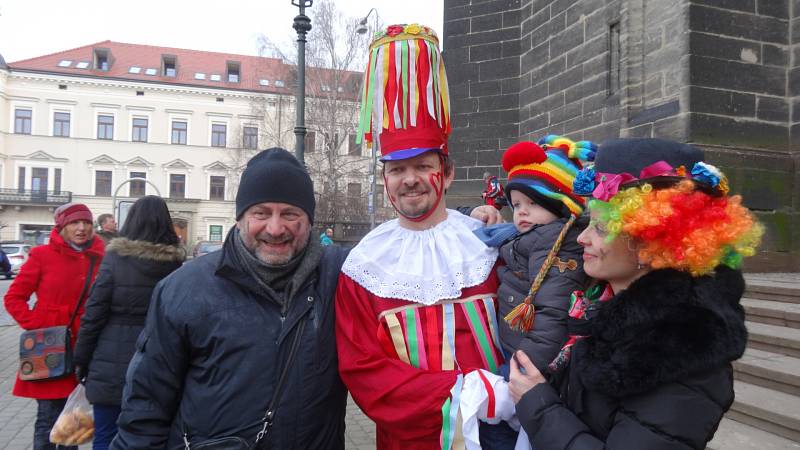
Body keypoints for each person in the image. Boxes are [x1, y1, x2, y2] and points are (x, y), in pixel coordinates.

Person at [508, 138, 763, 449]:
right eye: (588, 223)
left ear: (651, 242)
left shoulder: (684, 347)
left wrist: (539, 406)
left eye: (601, 228)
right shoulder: (594, 305)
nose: (584, 238)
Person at [336, 24, 511, 449]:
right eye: (397, 169)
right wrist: (462, 395)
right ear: (384, 180)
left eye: (422, 166)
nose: (410, 180)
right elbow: (364, 370)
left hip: (503, 434)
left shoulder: (491, 244)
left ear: (447, 173)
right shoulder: (363, 267)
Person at [110, 148, 350, 449]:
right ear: (239, 218)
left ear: (309, 220)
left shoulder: (340, 278)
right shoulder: (182, 290)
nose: (275, 228)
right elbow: (146, 406)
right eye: (260, 213)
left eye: (290, 214)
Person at [475, 135, 594, 449]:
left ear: (559, 205)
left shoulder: (554, 244)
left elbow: (552, 313)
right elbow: (492, 234)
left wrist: (523, 367)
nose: (521, 213)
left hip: (527, 361)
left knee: (503, 431)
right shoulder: (532, 235)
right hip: (517, 348)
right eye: (516, 205)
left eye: (533, 203)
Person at [73, 196, 185, 450]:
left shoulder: (114, 260)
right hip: (159, 361)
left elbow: (94, 314)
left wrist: (81, 358)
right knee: (152, 435)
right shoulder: (177, 265)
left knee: (105, 434)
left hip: (109, 363)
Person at [4, 203, 105, 450]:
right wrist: (39, 324)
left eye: (87, 223)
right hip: (50, 347)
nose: (82, 228)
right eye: (74, 223)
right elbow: (14, 298)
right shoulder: (42, 255)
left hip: (85, 346)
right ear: (61, 227)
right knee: (48, 417)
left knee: (74, 420)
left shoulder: (102, 258)